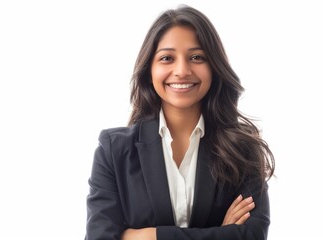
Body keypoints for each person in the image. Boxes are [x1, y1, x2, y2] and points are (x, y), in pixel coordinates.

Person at [85, 4, 275, 240]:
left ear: (214, 66)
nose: (182, 70)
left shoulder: (242, 147)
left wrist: (148, 236)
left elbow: (252, 235)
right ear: (149, 69)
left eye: (197, 57)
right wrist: (222, 234)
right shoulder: (114, 150)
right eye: (167, 58)